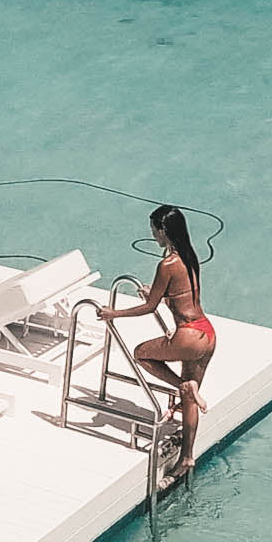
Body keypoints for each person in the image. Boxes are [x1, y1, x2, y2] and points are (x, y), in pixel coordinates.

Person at [96, 204, 216, 485]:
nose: (153, 236)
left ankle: (183, 387)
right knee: (189, 401)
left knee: (141, 354)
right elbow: (181, 295)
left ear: (163, 231)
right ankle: (187, 458)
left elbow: (149, 308)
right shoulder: (189, 257)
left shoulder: (166, 264)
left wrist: (113, 314)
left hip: (187, 336)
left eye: (154, 231)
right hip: (207, 334)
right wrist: (156, 293)